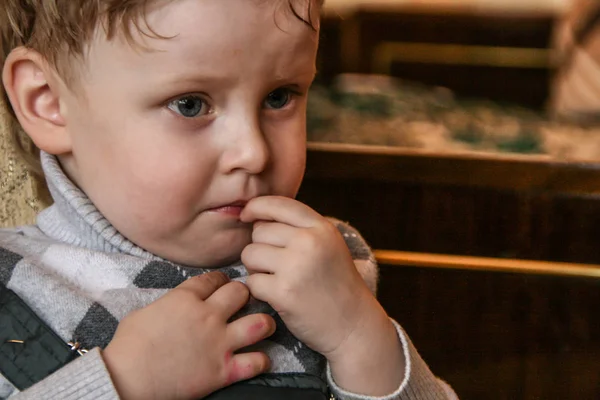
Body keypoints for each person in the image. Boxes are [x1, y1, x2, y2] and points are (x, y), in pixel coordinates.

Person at [0, 0, 457, 399]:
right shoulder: (16, 292)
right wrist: (121, 384)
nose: (254, 152)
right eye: (191, 105)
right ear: (48, 101)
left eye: (279, 97)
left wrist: (360, 337)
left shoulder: (326, 269)